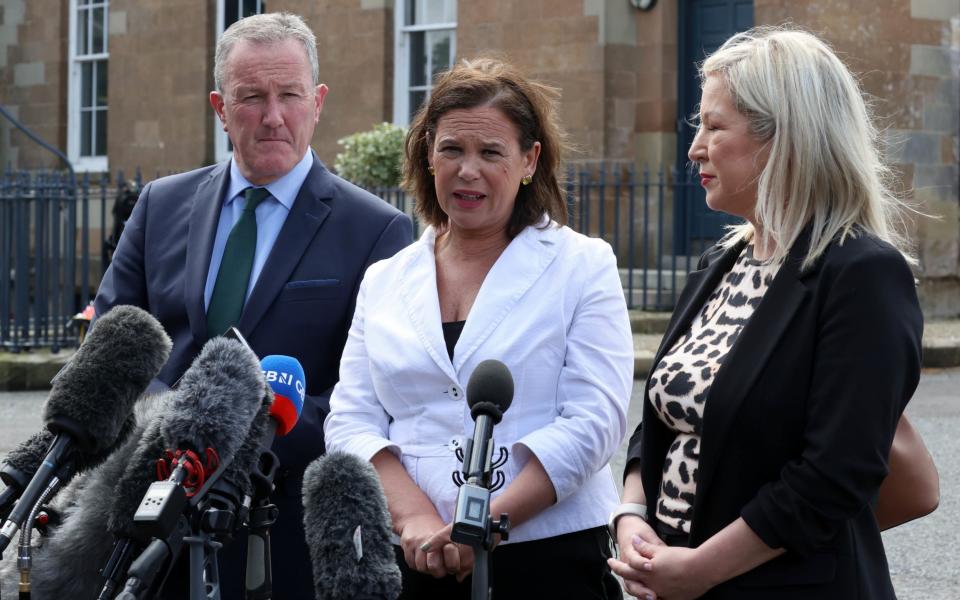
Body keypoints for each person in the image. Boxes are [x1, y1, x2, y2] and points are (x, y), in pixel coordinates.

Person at [93, 12, 413, 598]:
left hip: (283, 533)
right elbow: (109, 358)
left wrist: (249, 436)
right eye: (251, 98)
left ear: (316, 102)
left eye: (289, 95)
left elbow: (374, 399)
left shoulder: (377, 232)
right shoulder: (160, 206)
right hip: (147, 526)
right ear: (219, 107)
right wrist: (169, 430)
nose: (272, 116)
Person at [608, 26, 923, 599]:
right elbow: (669, 413)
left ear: (784, 138)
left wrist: (701, 569)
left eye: (713, 126)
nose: (694, 147)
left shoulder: (860, 274)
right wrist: (630, 515)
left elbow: (834, 474)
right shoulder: (722, 260)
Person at [324, 58, 634, 599]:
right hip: (412, 559)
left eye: (491, 152)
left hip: (546, 559)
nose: (468, 171)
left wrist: (484, 525)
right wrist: (415, 518)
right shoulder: (384, 279)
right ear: (428, 154)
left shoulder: (583, 265)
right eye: (452, 150)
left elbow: (594, 422)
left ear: (530, 160)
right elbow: (351, 419)